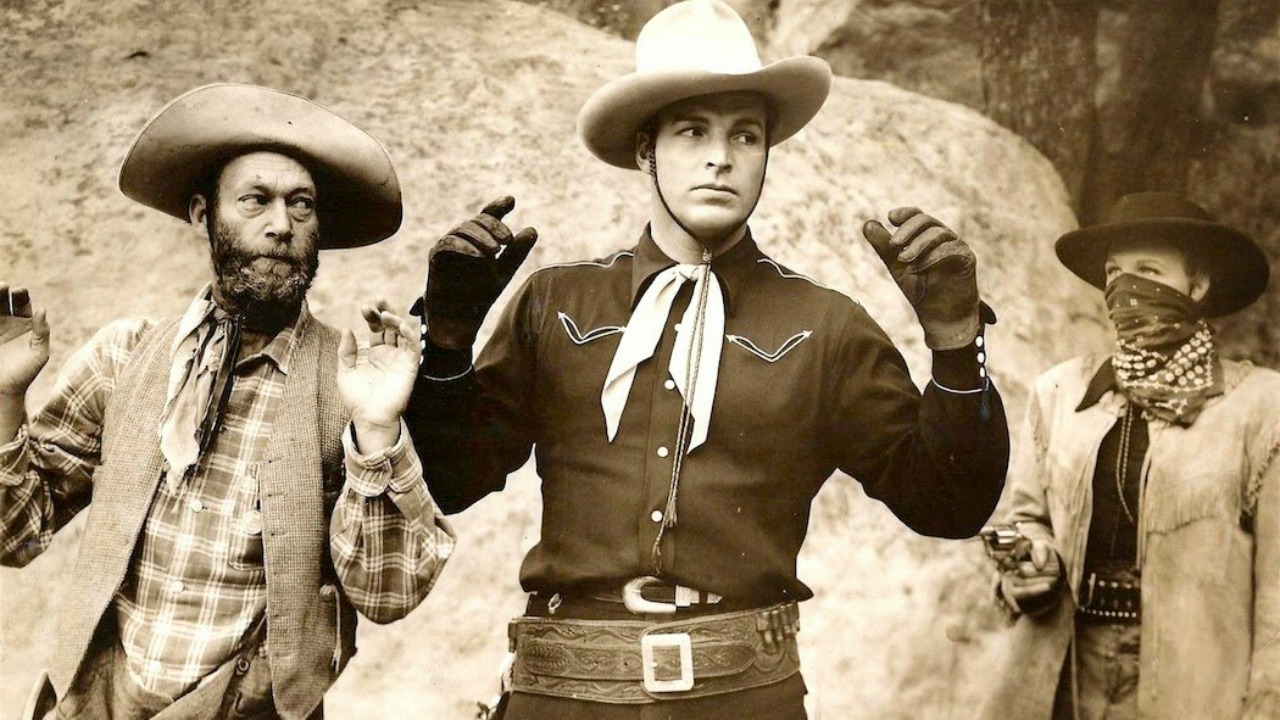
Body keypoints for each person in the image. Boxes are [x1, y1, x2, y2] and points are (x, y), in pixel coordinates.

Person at [407, 1, 1008, 717]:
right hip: (564, 698)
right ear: (646, 150)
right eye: (693, 131)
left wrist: (955, 340)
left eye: (745, 135)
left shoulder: (825, 326)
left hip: (745, 700)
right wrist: (447, 343)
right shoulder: (557, 304)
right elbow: (450, 480)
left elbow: (948, 504)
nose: (722, 157)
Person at [0, 83, 454, 720]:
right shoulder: (123, 356)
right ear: (201, 214)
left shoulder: (352, 384)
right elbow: (15, 534)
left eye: (301, 205)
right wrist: (5, 396)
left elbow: (388, 594)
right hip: (94, 703)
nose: (281, 225)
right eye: (255, 200)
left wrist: (377, 429)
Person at [978, 191, 1280, 720]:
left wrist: (1268, 698)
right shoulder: (1061, 392)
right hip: (1068, 670)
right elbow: (1029, 518)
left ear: (1197, 287)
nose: (1126, 288)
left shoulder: (1260, 407)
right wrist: (1031, 563)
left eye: (1149, 271)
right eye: (1115, 273)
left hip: (1196, 683)